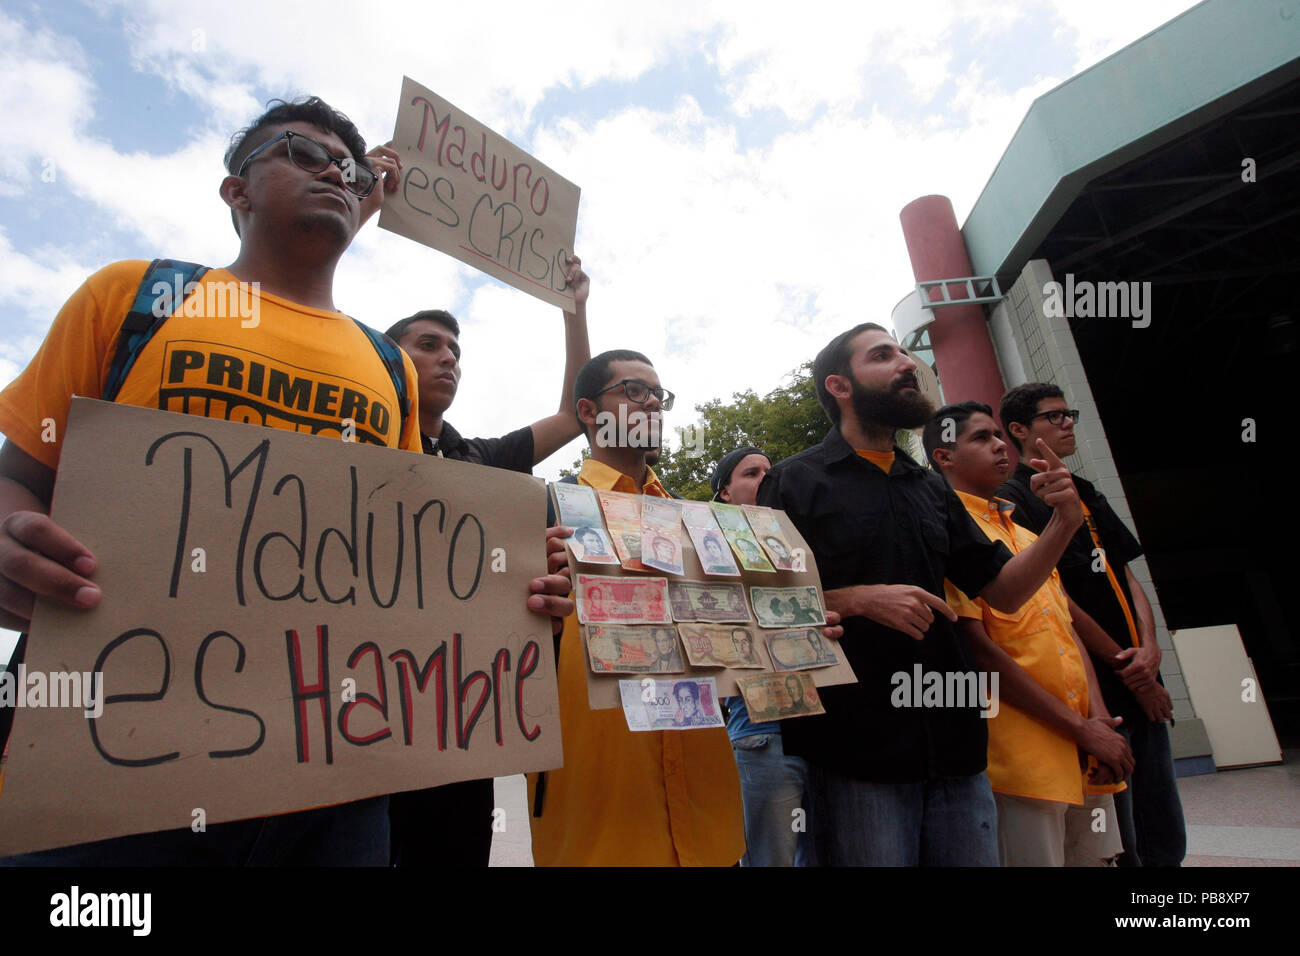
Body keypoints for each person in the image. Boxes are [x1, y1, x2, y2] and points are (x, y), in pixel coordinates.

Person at [0, 97, 575, 866]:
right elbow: (19, 478)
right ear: (236, 189)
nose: (334, 172)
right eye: (303, 154)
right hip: (113, 768)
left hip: (333, 775)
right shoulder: (133, 297)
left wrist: (516, 587)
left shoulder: (388, 368)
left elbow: (405, 563)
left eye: (349, 166)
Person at [757, 322, 1086, 867]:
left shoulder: (930, 485)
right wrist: (855, 599)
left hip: (956, 740)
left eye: (905, 353)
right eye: (882, 355)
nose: (907, 363)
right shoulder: (792, 483)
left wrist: (1063, 523)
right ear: (839, 386)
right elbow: (754, 606)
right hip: (858, 746)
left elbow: (1003, 592)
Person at [526, 351, 844, 865]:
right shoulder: (544, 510)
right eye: (633, 390)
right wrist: (531, 601)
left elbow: (731, 642)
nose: (652, 401)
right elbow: (498, 648)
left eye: (659, 393)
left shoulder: (698, 525)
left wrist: (794, 630)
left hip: (705, 803)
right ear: (588, 412)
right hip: (596, 797)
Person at [382, 255, 592, 869]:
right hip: (362, 710)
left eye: (455, 349)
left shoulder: (480, 457)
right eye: (429, 345)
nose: (449, 357)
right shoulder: (347, 441)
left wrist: (574, 310)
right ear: (387, 357)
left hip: (457, 720)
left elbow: (571, 414)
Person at [924, 401, 1134, 865]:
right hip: (1020, 759)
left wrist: (1098, 721)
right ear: (944, 457)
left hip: (1083, 747)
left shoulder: (1022, 532)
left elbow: (1067, 631)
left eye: (999, 435)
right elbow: (978, 652)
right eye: (980, 438)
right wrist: (1081, 728)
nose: (1000, 445)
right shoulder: (945, 532)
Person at [996, 383, 1186, 866]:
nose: (1067, 424)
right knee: (1119, 827)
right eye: (1054, 417)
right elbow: (1053, 596)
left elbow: (1124, 571)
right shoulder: (1014, 498)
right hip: (1099, 686)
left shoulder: (1085, 490)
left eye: (1070, 415)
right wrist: (1128, 668)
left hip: (1141, 672)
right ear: (1019, 430)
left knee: (1162, 814)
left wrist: (1149, 649)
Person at [712, 447, 813, 867]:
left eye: (771, 471)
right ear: (725, 496)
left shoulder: (805, 539)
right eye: (751, 473)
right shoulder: (709, 551)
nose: (766, 479)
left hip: (832, 731)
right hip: (763, 731)